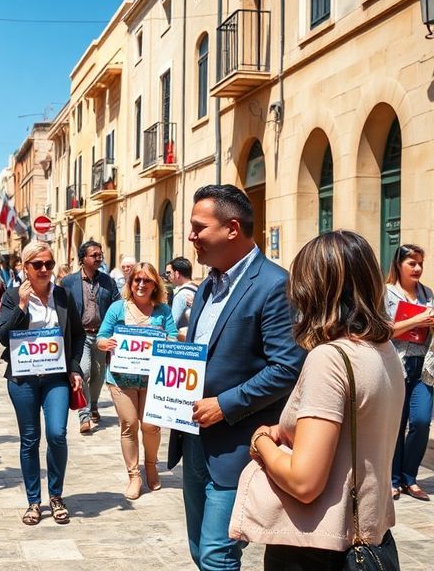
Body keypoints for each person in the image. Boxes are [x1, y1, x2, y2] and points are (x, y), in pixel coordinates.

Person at [240, 230, 404, 570]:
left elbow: (304, 482)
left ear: (313, 291)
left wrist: (260, 441)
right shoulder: (383, 350)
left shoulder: (329, 358)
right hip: (372, 539)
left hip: (319, 549)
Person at [166, 184, 306, 570]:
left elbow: (287, 367)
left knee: (217, 555)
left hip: (238, 446)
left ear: (231, 229)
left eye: (199, 227)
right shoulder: (206, 285)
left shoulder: (275, 285)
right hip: (194, 439)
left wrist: (224, 405)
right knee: (199, 550)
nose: (191, 236)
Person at [0, 241, 85, 526]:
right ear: (26, 267)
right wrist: (22, 306)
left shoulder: (63, 295)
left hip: (55, 377)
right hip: (23, 379)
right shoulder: (12, 296)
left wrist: (74, 368)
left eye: (49, 263)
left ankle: (56, 496)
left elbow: (78, 334)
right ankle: (33, 501)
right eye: (38, 264)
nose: (45, 269)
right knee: (30, 439)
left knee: (57, 434)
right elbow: (3, 336)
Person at [96, 262, 178, 500]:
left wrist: (166, 342)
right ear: (130, 283)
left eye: (147, 280)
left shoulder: (162, 311)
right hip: (121, 378)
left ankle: (151, 465)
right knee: (129, 424)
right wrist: (106, 343)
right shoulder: (118, 308)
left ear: (155, 285)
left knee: (151, 426)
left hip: (153, 379)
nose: (141, 285)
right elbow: (101, 337)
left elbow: (173, 337)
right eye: (137, 280)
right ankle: (134, 475)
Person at [385, 244, 434, 501]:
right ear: (399, 264)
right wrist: (416, 320)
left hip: (424, 367)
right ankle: (393, 480)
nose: (417, 268)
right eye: (411, 263)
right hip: (395, 366)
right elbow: (383, 330)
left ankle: (410, 478)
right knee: (395, 424)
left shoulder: (428, 294)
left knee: (421, 421)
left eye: (420, 264)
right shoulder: (386, 294)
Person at [62, 240, 121, 434]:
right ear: (83, 259)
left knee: (98, 375)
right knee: (84, 372)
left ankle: (94, 404)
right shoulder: (69, 282)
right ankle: (84, 415)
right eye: (94, 255)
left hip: (102, 337)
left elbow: (117, 305)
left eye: (100, 254)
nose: (98, 258)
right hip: (81, 336)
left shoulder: (108, 281)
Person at [167, 256, 198, 339]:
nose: (168, 276)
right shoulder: (198, 289)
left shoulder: (181, 295)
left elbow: (172, 324)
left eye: (169, 273)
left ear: (177, 274)